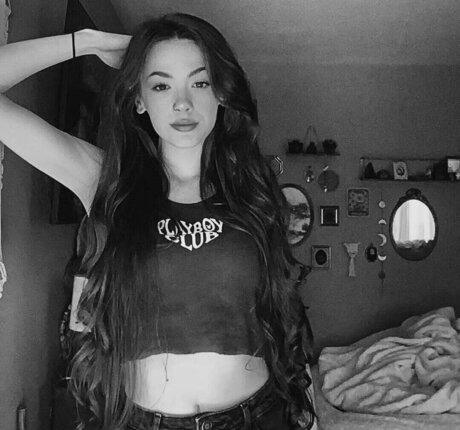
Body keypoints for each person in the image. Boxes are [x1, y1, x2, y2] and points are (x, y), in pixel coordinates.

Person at [0, 13, 315, 430]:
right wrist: (86, 41)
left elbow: (283, 314)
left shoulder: (253, 193)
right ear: (139, 100)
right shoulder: (106, 181)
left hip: (257, 416)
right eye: (161, 85)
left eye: (200, 83)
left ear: (221, 95)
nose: (182, 102)